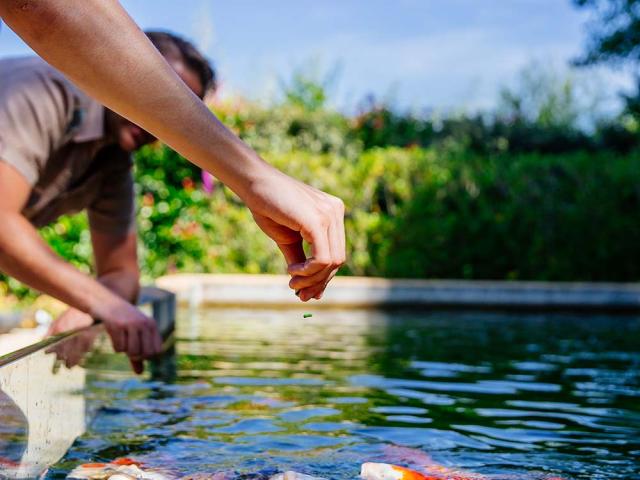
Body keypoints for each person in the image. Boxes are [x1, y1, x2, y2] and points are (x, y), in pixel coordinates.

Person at [0, 0, 346, 371]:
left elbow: (121, 275)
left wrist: (90, 307)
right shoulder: (45, 90)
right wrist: (103, 304)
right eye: (161, 99)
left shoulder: (111, 160)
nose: (157, 121)